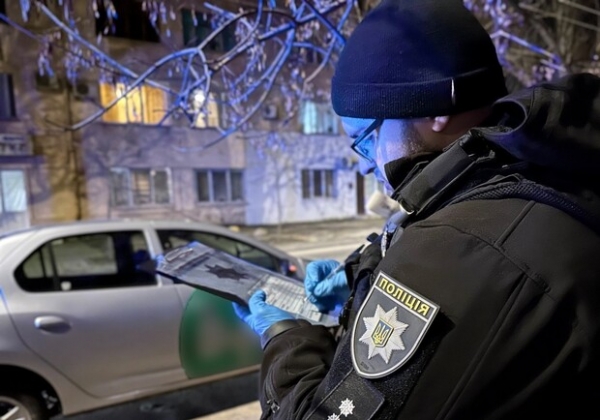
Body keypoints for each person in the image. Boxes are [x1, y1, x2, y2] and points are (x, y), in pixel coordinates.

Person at [233, 0, 600, 417]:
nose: (366, 163)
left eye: (366, 139)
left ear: (434, 107)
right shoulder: (534, 172)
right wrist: (359, 278)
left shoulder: (459, 249)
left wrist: (284, 337)